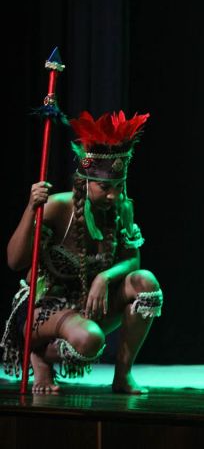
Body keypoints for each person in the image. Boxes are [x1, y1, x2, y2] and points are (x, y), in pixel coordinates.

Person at [2, 111, 162, 394]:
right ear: (86, 180)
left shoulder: (122, 207)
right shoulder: (57, 206)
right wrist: (31, 209)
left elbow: (132, 260)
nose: (113, 195)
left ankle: (123, 376)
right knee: (90, 339)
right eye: (105, 187)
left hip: (88, 304)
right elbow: (15, 261)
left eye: (119, 186)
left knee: (146, 283)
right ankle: (39, 356)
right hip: (46, 307)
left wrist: (104, 278)